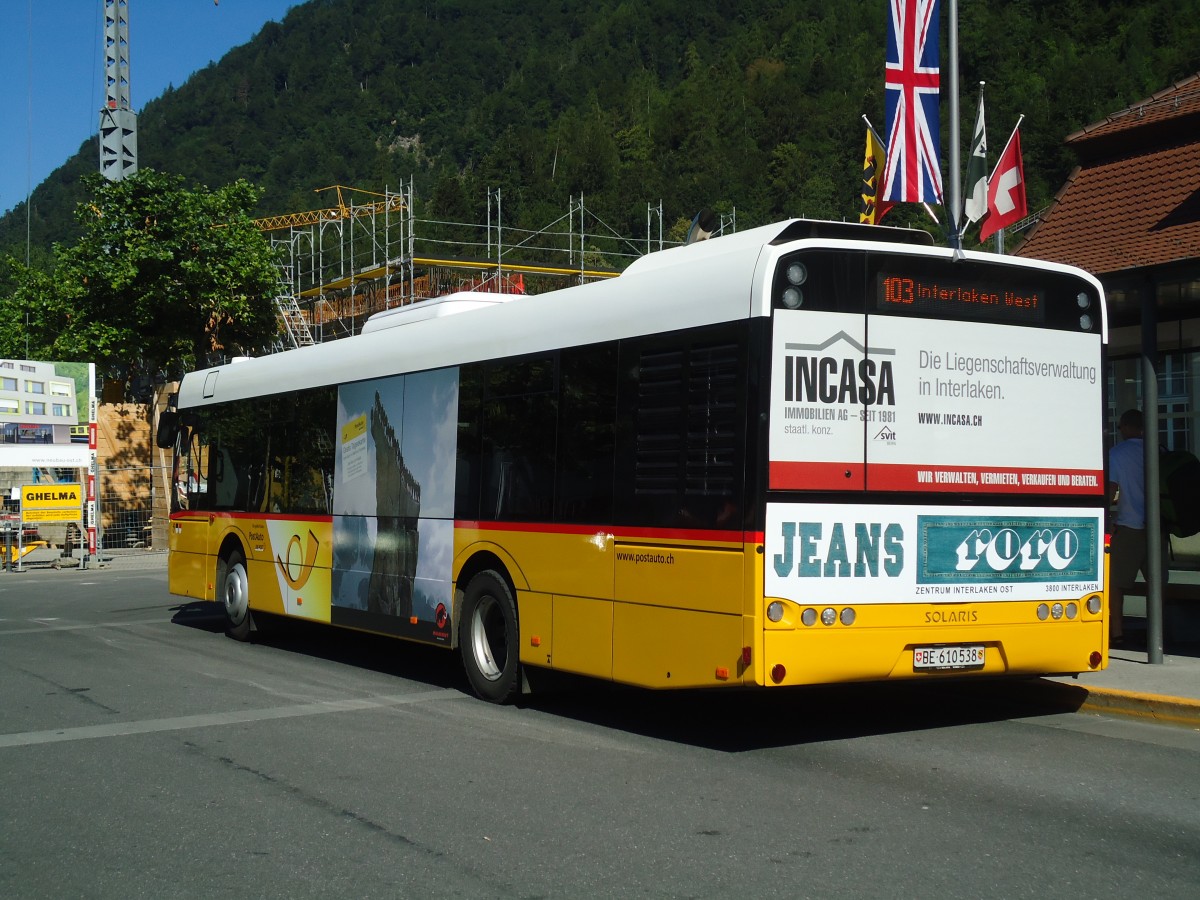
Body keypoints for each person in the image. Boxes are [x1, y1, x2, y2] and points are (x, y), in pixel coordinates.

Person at [1106, 408, 1166, 646]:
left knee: (1116, 584)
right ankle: (1157, 634)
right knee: (1157, 584)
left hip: (1128, 527)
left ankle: (1117, 632)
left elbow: (1111, 491)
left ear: (1126, 427)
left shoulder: (1117, 454)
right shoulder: (1159, 451)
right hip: (1157, 528)